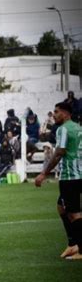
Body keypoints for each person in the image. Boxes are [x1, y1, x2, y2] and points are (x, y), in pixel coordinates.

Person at [35, 102, 82, 260]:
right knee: (62, 207)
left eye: (57, 112)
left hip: (70, 176)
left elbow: (59, 152)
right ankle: (72, 244)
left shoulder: (63, 129)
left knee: (74, 213)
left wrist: (44, 173)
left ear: (66, 113)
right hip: (79, 175)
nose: (54, 115)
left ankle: (80, 249)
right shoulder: (78, 128)